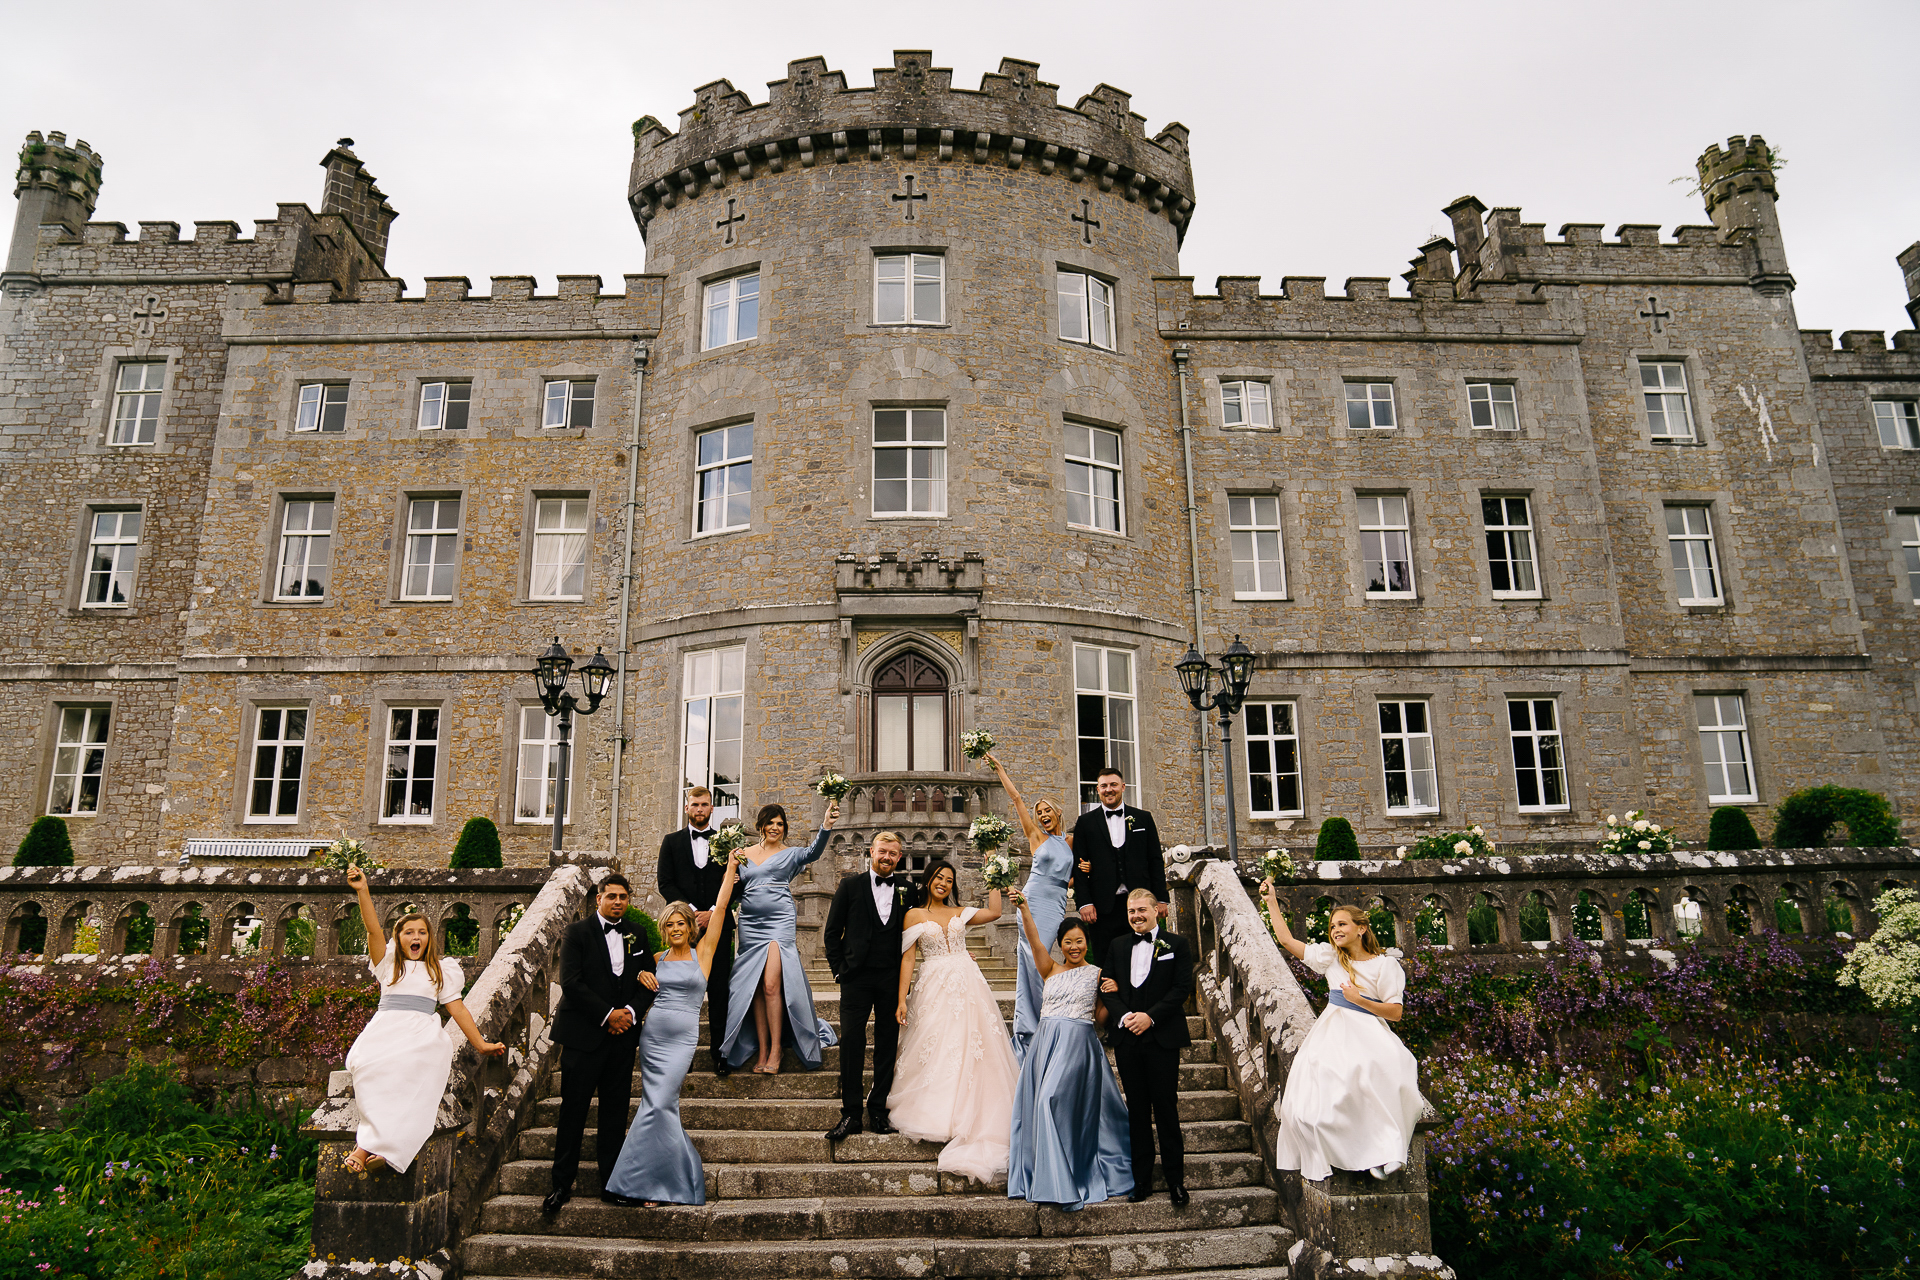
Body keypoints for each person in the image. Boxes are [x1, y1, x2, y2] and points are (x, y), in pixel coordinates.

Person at [340, 865, 505, 1176]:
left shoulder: (442, 970)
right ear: (399, 938)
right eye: (408, 932)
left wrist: (480, 1044)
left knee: (413, 1070)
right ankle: (382, 1149)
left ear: (430, 938)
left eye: (422, 932)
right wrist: (363, 890)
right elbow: (373, 929)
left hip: (420, 1033)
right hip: (387, 1028)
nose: (415, 937)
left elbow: (458, 1010)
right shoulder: (387, 965)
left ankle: (364, 1149)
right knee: (369, 1066)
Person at [1258, 882, 1426, 1182]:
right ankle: (1362, 1154)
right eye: (1332, 926)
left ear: (1361, 928)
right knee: (1331, 1092)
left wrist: (1360, 999)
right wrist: (1272, 901)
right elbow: (1285, 939)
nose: (1335, 929)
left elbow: (1396, 1012)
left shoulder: (1385, 966)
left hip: (1370, 1029)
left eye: (1342, 924)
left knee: (1387, 1074)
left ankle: (1386, 1150)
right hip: (1334, 1031)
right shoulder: (1331, 958)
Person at [604, 855, 740, 1207]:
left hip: (682, 1040)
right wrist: (639, 976)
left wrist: (729, 872)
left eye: (681, 923)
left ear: (690, 927)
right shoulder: (656, 959)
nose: (676, 928)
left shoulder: (704, 953)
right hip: (653, 1037)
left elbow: (722, 908)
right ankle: (658, 1183)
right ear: (664, 930)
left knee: (661, 1102)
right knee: (658, 1104)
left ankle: (648, 1181)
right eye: (670, 925)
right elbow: (623, 979)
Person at [886, 859, 1019, 1181]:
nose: (943, 883)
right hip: (933, 982)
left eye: (949, 879)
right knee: (939, 1044)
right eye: (938, 877)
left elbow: (996, 913)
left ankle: (975, 1114)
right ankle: (938, 1113)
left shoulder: (961, 911)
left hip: (967, 981)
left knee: (973, 1044)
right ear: (928, 879)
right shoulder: (913, 915)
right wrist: (901, 997)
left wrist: (993, 875)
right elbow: (909, 957)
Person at [1005, 890, 1132, 1210]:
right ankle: (1048, 1175)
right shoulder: (1049, 968)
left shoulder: (1098, 973)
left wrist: (1115, 993)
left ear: (1087, 942)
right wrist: (1025, 908)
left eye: (1079, 941)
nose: (1074, 947)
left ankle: (1064, 1178)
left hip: (1079, 1046)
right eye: (1068, 942)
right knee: (1044, 1103)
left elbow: (1101, 1019)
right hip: (1045, 1046)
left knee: (1050, 1101)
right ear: (1060, 945)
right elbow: (1033, 940)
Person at [542, 873, 659, 1214]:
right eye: (612, 896)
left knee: (614, 1115)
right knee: (572, 1113)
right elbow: (571, 982)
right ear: (598, 898)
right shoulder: (576, 933)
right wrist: (609, 1015)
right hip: (583, 1038)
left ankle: (613, 1184)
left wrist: (631, 1014)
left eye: (624, 896)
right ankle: (561, 1185)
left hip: (622, 1041)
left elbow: (648, 979)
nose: (618, 902)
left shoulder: (636, 933)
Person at [720, 800, 840, 1074]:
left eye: (780, 824)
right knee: (757, 988)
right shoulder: (743, 854)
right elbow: (736, 893)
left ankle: (776, 1051)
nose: (775, 828)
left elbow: (814, 852)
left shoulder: (791, 853)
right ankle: (762, 1051)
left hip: (779, 922)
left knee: (772, 984)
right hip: (750, 923)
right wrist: (733, 877)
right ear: (760, 826)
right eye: (771, 823)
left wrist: (826, 826)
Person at [1098, 888, 1194, 1205]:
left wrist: (1149, 1017)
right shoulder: (1117, 945)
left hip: (1162, 1037)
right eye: (1131, 911)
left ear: (1156, 911)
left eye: (1142, 910)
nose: (1136, 916)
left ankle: (1176, 1182)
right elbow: (1107, 987)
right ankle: (1141, 1182)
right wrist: (1126, 1016)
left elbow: (1181, 989)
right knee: (1137, 1112)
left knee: (1166, 1109)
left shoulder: (1177, 945)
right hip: (1127, 1038)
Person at [821, 830, 912, 1140]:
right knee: (851, 1045)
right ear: (870, 852)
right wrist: (838, 971)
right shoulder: (850, 886)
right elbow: (832, 933)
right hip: (856, 979)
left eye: (893, 853)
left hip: (891, 978)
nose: (886, 857)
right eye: (882, 851)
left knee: (887, 1045)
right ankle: (851, 1115)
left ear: (900, 857)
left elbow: (932, 919)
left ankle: (878, 1111)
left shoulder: (907, 889)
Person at [985, 752, 1074, 1064]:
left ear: (1058, 813)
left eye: (1047, 810)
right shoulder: (1036, 836)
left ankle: (1044, 1017)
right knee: (1033, 958)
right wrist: (999, 767)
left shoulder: (1070, 841)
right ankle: (1031, 1027)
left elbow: (1070, 874)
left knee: (1045, 957)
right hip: (1033, 900)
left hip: (1057, 903)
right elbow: (1017, 798)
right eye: (1039, 812)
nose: (1042, 815)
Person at [656, 785, 737, 1077]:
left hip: (719, 925)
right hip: (683, 929)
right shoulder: (671, 842)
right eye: (695, 804)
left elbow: (737, 881)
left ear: (712, 808)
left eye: (704, 804)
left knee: (718, 991)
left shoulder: (726, 843)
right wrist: (690, 912)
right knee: (682, 994)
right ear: (687, 808)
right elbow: (665, 882)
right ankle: (682, 1056)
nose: (699, 809)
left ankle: (720, 1054)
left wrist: (714, 912)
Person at [1070, 766, 1166, 962]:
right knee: (1107, 960)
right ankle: (1108, 993)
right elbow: (1078, 866)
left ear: (1123, 787)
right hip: (1102, 905)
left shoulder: (1143, 818)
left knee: (1144, 957)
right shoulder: (1085, 823)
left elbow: (1155, 860)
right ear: (1098, 790)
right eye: (1103, 786)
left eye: (1113, 784)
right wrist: (1085, 903)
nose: (1108, 789)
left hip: (1140, 903)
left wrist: (1162, 898)